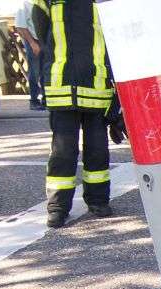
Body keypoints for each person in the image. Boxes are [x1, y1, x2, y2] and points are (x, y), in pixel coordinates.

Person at [32, 0, 113, 229]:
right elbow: (42, 31)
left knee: (97, 149)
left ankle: (98, 201)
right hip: (62, 83)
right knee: (62, 153)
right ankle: (58, 208)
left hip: (96, 83)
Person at [15, 0, 45, 111]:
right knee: (35, 71)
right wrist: (32, 43)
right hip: (32, 39)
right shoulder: (24, 4)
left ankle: (46, 99)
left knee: (45, 70)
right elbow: (20, 26)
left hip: (44, 39)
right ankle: (34, 100)